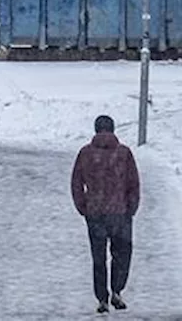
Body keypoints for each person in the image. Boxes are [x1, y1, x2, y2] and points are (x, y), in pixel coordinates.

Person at [71, 115, 140, 314]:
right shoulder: (124, 153)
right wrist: (131, 208)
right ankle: (117, 291)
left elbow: (76, 182)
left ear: (95, 130)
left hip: (95, 213)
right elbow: (133, 183)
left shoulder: (85, 153)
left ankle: (102, 298)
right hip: (120, 213)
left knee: (98, 257)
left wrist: (83, 206)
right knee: (121, 254)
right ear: (113, 129)